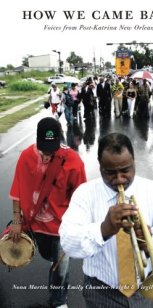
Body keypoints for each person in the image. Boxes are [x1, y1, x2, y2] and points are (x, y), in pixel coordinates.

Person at [59, 132, 153, 308]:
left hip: (142, 288)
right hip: (99, 290)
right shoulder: (84, 194)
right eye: (110, 172)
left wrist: (149, 244)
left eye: (125, 170)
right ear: (100, 166)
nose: (119, 179)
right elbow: (67, 241)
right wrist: (104, 229)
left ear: (134, 162)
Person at [9, 117, 87, 308]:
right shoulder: (26, 156)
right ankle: (55, 273)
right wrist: (17, 221)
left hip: (62, 226)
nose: (46, 155)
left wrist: (78, 226)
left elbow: (82, 198)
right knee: (49, 257)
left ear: (59, 142)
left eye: (51, 150)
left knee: (61, 266)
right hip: (36, 223)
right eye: (43, 149)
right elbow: (17, 191)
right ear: (37, 140)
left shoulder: (73, 161)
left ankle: (59, 301)